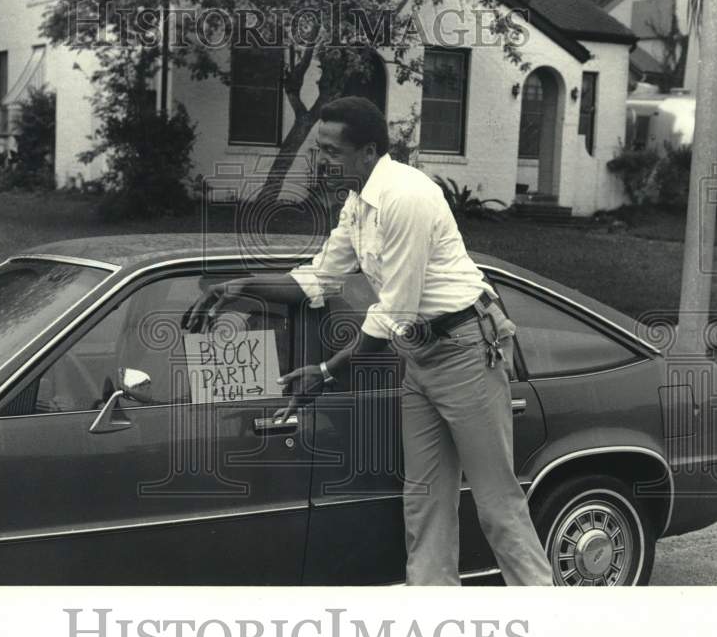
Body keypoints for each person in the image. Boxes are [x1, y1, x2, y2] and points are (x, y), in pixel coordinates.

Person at [183, 96, 553, 586]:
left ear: (369, 151)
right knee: (424, 504)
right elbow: (319, 278)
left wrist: (327, 371)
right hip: (420, 357)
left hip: (465, 348)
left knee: (496, 506)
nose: (321, 161)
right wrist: (240, 286)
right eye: (318, 149)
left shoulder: (406, 198)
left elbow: (394, 312)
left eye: (332, 151)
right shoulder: (358, 203)